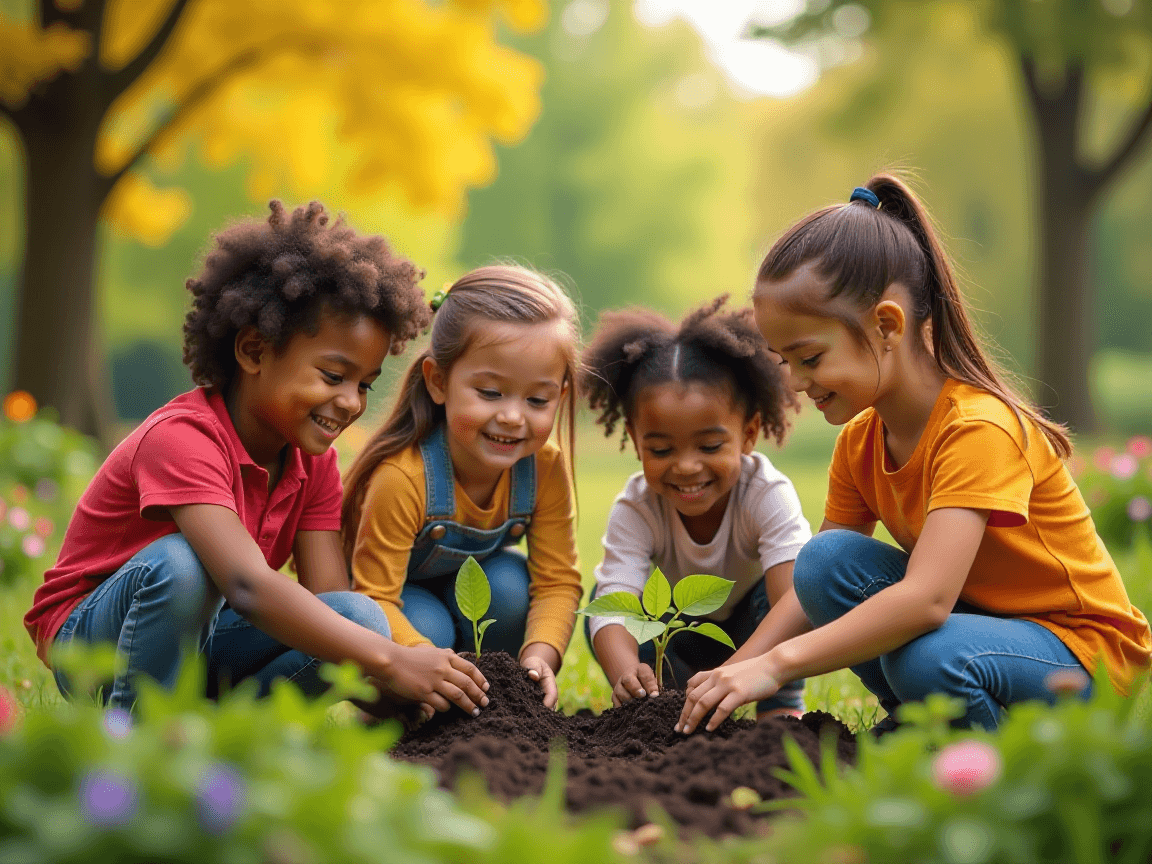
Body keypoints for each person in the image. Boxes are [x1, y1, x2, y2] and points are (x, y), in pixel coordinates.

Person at [678, 175, 1152, 735]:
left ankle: (985, 751)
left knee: (928, 655)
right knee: (823, 562)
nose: (797, 383)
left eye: (809, 357)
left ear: (886, 325)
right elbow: (814, 592)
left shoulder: (977, 429)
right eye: (784, 360)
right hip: (980, 635)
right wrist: (735, 672)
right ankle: (928, 722)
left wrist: (777, 665)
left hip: (1084, 661)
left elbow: (928, 600)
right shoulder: (860, 443)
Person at [25, 201, 489, 720]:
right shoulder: (183, 438)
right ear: (253, 351)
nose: (352, 402)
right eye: (333, 377)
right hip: (94, 643)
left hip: (206, 635)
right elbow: (246, 586)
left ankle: (230, 739)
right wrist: (390, 660)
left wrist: (400, 681)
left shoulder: (313, 464)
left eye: (365, 384)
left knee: (359, 617)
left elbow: (331, 602)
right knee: (184, 565)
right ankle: (136, 736)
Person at [342, 265, 583, 709]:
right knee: (429, 626)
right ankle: (408, 709)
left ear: (560, 397)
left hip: (464, 591)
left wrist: (540, 654)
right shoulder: (404, 477)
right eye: (490, 393)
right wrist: (425, 658)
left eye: (537, 400)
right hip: (398, 609)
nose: (513, 417)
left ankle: (495, 701)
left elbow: (556, 581)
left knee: (510, 586)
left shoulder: (544, 468)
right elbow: (374, 599)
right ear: (439, 382)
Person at [581, 297, 812, 718]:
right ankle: (666, 702)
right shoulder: (637, 508)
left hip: (753, 630)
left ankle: (778, 705)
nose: (686, 467)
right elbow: (614, 599)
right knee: (602, 605)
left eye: (709, 446)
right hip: (679, 633)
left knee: (786, 599)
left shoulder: (765, 493)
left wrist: (744, 669)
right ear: (635, 440)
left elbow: (793, 602)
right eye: (662, 448)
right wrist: (624, 669)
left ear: (749, 433)